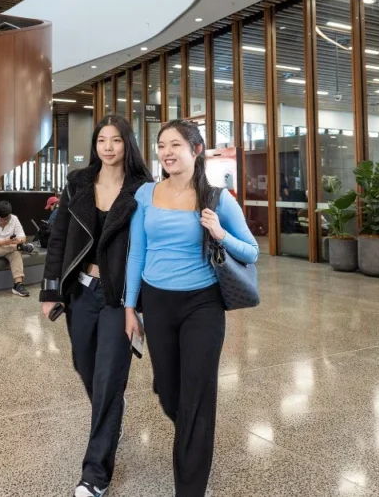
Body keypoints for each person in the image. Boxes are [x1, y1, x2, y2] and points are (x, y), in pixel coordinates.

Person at [125, 120, 258, 496]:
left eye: (175, 145)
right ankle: (193, 436)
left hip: (202, 304)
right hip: (157, 302)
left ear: (196, 150)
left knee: (197, 395)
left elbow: (251, 251)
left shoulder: (217, 197)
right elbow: (137, 253)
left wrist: (220, 233)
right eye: (161, 145)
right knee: (170, 392)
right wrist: (129, 308)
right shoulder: (146, 194)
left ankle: (190, 485)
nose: (166, 152)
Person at [40, 115, 153, 497]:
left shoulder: (142, 188)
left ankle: (95, 475)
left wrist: (143, 304)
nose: (108, 147)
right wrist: (50, 291)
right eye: (102, 140)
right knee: (85, 366)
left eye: (116, 140)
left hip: (119, 297)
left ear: (127, 144)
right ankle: (111, 412)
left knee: (107, 379)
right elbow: (58, 239)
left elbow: (150, 244)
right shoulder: (78, 183)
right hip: (81, 292)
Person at [0, 200, 31, 297]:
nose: (4, 221)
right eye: (1, 219)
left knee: (16, 253)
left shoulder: (14, 219)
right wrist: (4, 243)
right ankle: (18, 248)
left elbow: (23, 238)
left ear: (10, 215)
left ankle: (18, 284)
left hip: (8, 249)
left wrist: (18, 240)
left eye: (6, 219)